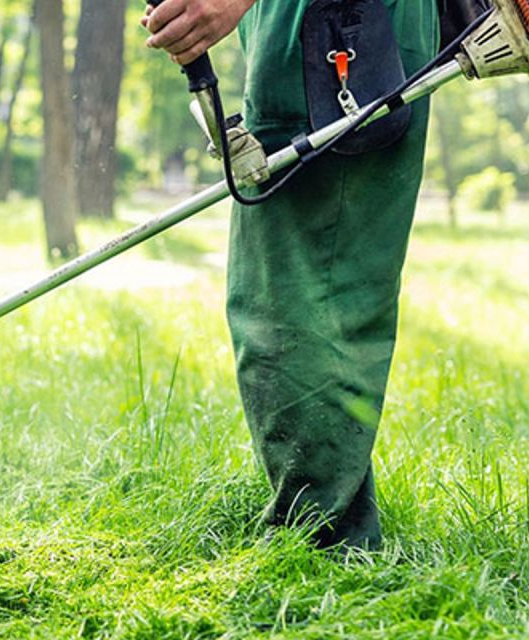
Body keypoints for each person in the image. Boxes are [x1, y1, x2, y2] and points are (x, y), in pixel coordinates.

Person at [141, 0, 438, 551]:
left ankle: (324, 547)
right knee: (303, 287)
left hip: (336, 25)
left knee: (299, 295)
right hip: (329, 29)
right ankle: (330, 529)